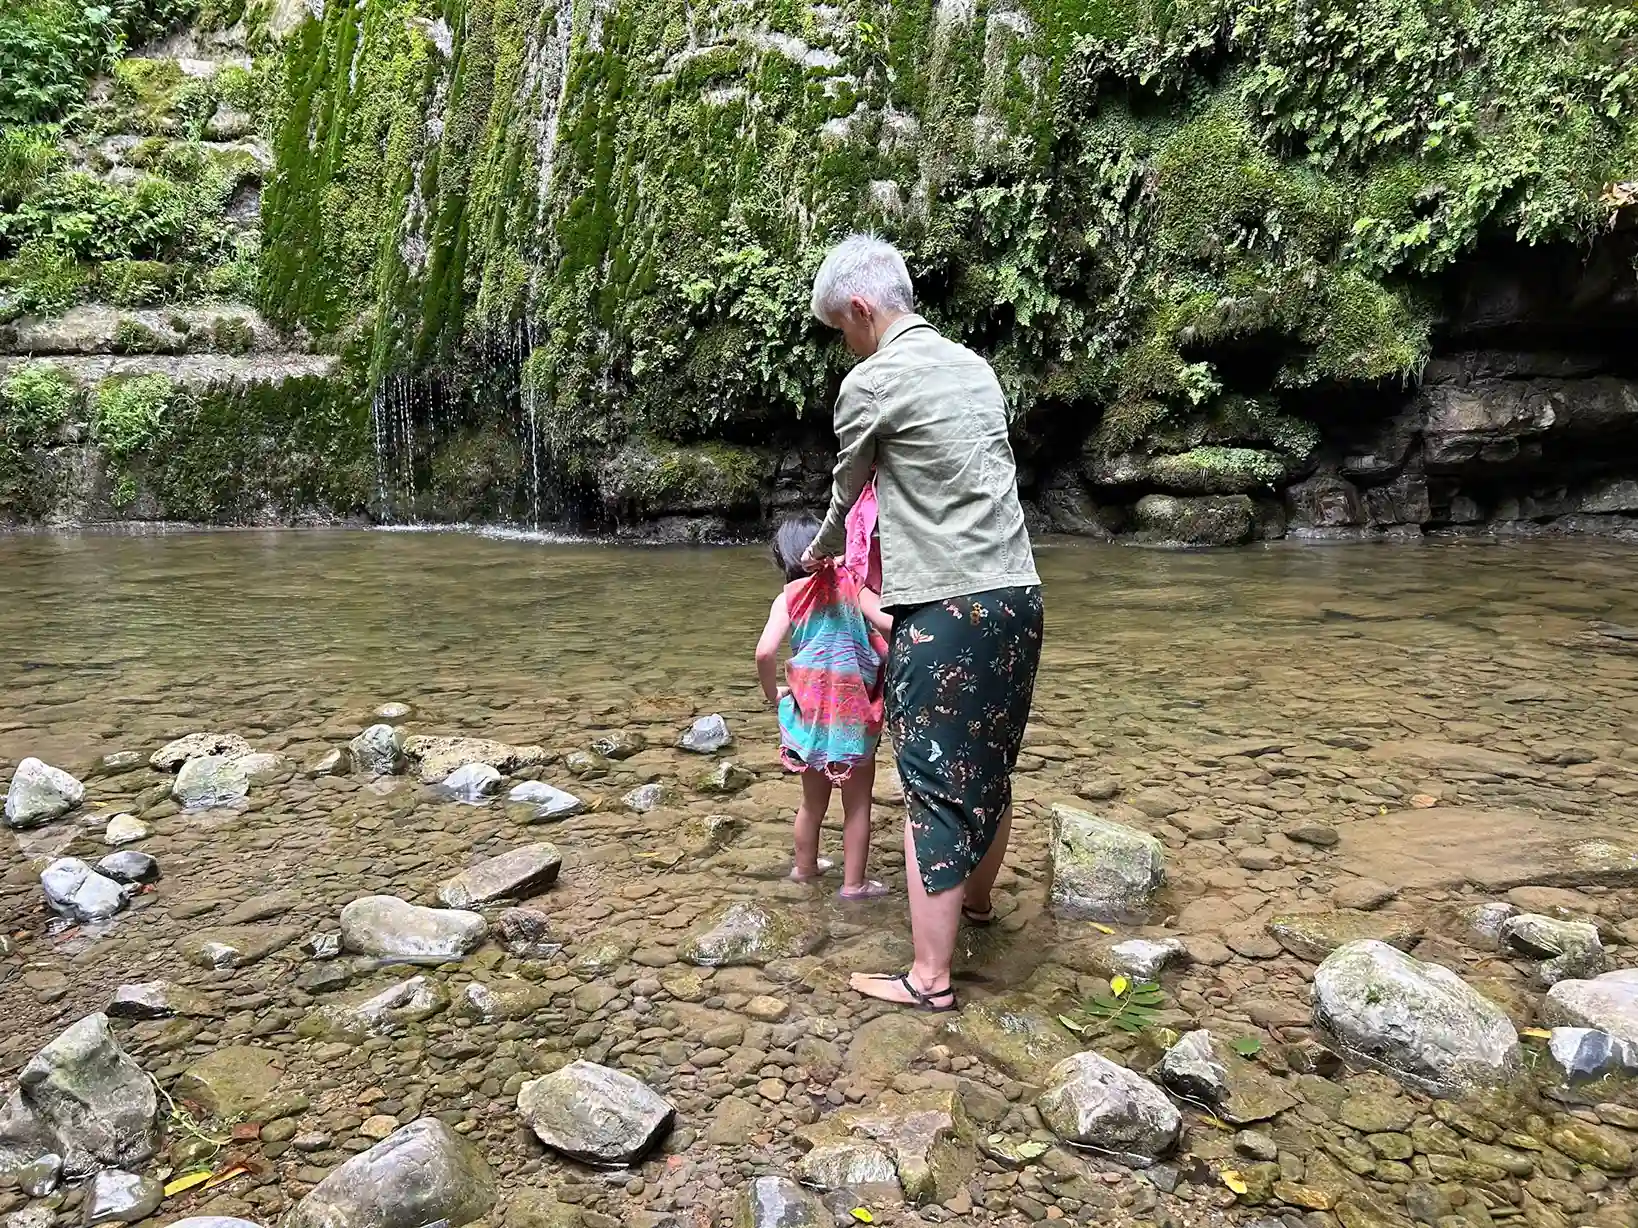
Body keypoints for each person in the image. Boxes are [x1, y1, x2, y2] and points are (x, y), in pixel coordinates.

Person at [803, 233, 1044, 1012]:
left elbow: (847, 492)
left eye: (843, 327)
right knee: (990, 770)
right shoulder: (975, 367)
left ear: (864, 310)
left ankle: (930, 978)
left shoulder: (872, 381)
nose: (846, 342)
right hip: (1019, 596)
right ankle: (975, 908)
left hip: (947, 608)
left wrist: (816, 554)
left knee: (934, 785)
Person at [755, 512, 895, 899]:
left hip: (810, 713)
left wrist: (773, 694)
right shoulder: (854, 586)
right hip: (853, 714)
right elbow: (886, 625)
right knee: (857, 806)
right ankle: (854, 885)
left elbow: (765, 652)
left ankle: (805, 869)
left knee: (811, 804)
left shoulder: (788, 599)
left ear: (784, 558)